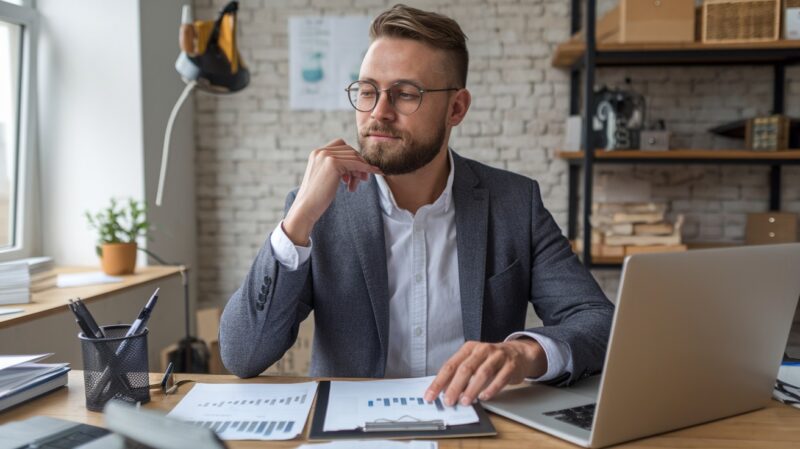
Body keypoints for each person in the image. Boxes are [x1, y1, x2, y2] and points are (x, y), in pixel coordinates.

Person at [220, 3, 613, 407]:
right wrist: (298, 219)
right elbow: (242, 355)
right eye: (368, 91)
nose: (379, 113)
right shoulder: (318, 210)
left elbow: (599, 321)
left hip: (477, 428)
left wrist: (523, 353)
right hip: (354, 433)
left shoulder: (515, 202)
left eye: (405, 94)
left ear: (456, 108)